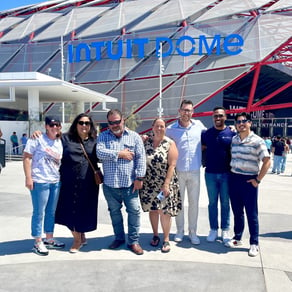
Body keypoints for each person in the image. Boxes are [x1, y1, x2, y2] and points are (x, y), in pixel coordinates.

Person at [96, 109, 146, 255]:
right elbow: (99, 153)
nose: (114, 125)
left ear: (123, 120)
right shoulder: (103, 137)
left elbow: (141, 159)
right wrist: (120, 154)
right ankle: (119, 238)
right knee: (115, 213)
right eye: (111, 123)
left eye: (117, 121)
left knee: (134, 212)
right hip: (110, 185)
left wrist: (139, 178)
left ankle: (133, 241)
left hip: (130, 184)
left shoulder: (134, 137)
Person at [226, 112, 270, 257]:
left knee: (252, 213)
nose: (241, 123)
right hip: (234, 179)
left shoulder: (258, 141)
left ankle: (254, 243)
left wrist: (258, 180)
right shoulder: (234, 140)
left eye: (244, 121)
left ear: (250, 123)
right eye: (238, 121)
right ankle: (237, 238)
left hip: (249, 181)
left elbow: (267, 161)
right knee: (237, 212)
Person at [55, 113, 100, 253]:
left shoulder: (95, 141)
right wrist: (37, 134)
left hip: (89, 184)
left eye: (87, 123)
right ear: (76, 124)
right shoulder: (65, 139)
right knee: (69, 210)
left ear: (91, 126)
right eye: (81, 122)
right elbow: (49, 140)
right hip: (69, 182)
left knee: (84, 210)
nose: (84, 125)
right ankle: (77, 239)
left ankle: (81, 234)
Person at [166, 100, 206, 245]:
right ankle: (180, 231)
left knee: (194, 203)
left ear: (192, 112)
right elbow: (161, 141)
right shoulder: (170, 129)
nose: (186, 113)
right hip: (178, 172)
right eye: (184, 110)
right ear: (179, 111)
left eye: (189, 110)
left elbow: (211, 137)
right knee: (179, 203)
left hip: (195, 171)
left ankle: (193, 232)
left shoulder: (199, 126)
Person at [23, 116, 64, 256]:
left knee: (51, 212)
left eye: (57, 124)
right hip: (40, 181)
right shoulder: (37, 138)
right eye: (52, 125)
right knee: (39, 212)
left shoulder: (59, 141)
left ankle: (49, 238)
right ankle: (37, 241)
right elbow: (27, 157)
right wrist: (28, 178)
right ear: (46, 126)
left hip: (55, 181)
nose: (55, 127)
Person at [139, 118, 181, 253]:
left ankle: (166, 239)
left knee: (164, 211)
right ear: (152, 127)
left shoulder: (170, 143)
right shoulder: (147, 142)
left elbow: (172, 165)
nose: (159, 128)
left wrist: (166, 184)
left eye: (162, 126)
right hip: (149, 183)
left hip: (164, 183)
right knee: (153, 210)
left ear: (165, 128)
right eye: (157, 126)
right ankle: (155, 235)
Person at [201, 106, 235, 243]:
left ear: (225, 117)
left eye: (221, 115)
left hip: (227, 174)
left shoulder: (232, 134)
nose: (218, 118)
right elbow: (202, 149)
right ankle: (213, 229)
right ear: (212, 117)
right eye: (215, 116)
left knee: (226, 203)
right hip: (210, 173)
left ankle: (225, 230)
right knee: (212, 203)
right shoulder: (206, 134)